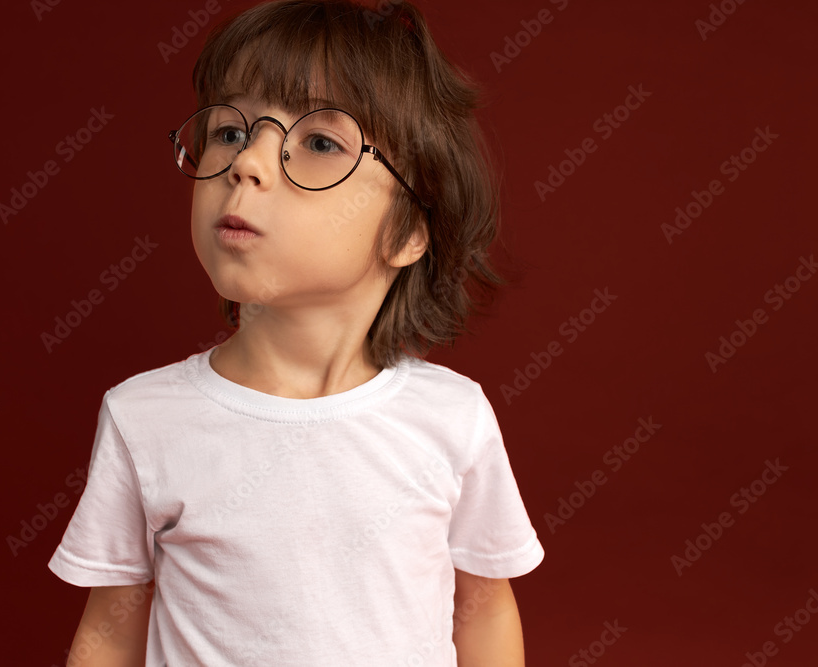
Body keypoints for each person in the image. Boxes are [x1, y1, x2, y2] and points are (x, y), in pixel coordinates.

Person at [48, 1, 544, 665]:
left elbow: (484, 608)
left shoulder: (452, 418)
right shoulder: (145, 418)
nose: (246, 162)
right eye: (229, 131)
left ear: (408, 231)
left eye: (319, 143)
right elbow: (112, 628)